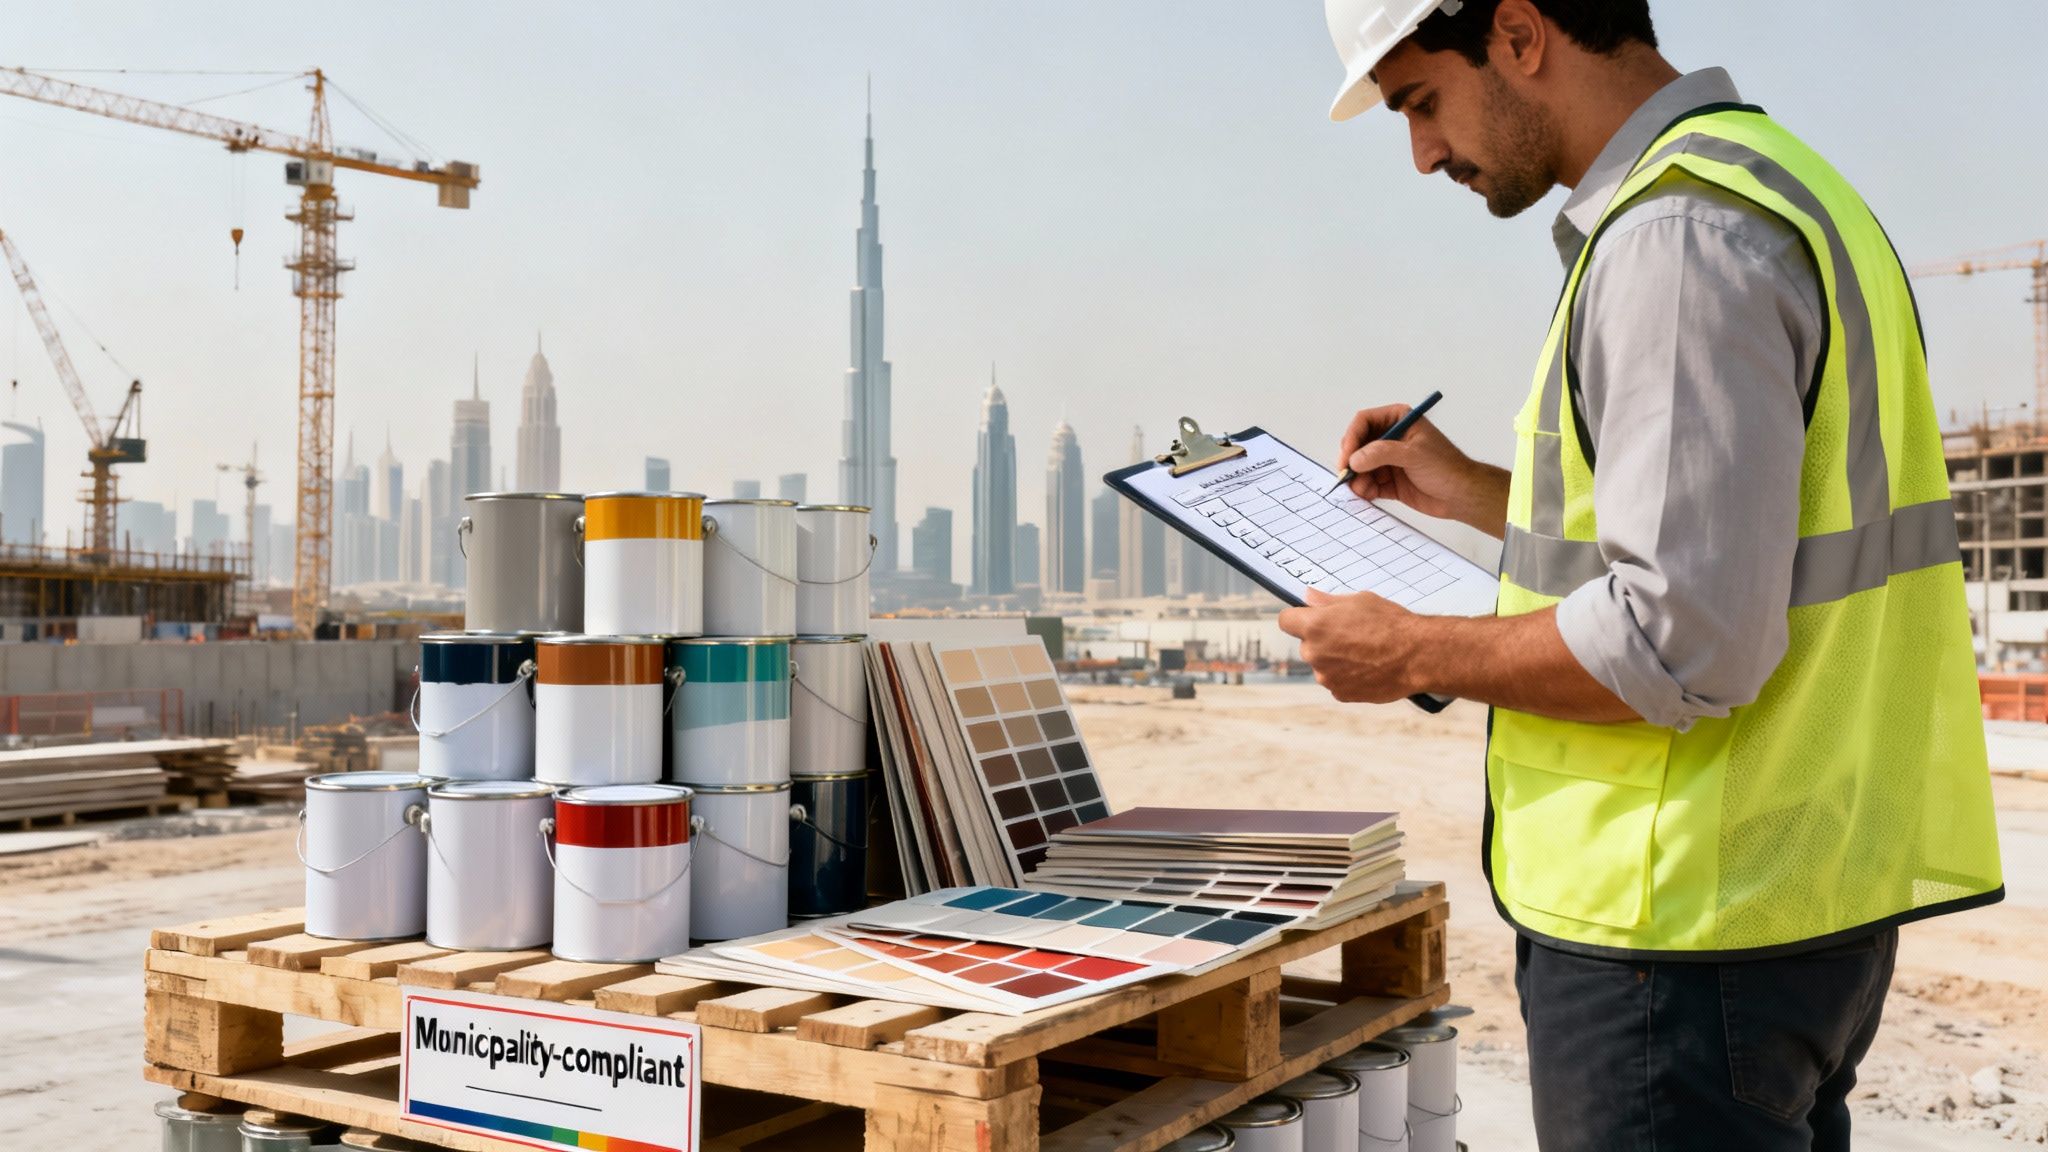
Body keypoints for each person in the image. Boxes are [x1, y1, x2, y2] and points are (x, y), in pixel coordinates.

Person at [1278, 2, 2004, 1148]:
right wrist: (1470, 490)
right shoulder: (1780, 185)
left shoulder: (1674, 239)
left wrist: (1409, 651)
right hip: (1792, 905)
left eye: (1421, 101)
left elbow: (1677, 638)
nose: (1421, 153)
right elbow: (1729, 531)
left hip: (1674, 940)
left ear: (1517, 34)